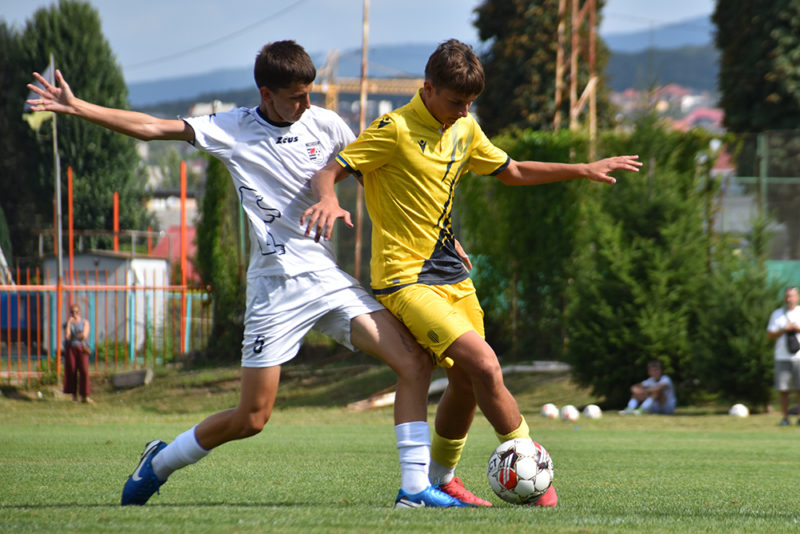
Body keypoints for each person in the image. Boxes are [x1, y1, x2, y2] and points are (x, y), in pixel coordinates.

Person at [27, 40, 465, 509]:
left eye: (309, 93)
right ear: (266, 94)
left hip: (327, 279)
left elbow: (382, 183)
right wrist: (77, 106)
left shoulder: (328, 125)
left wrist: (438, 236)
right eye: (295, 96)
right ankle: (159, 462)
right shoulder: (233, 128)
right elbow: (153, 127)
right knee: (252, 418)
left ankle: (414, 489)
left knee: (414, 363)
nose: (306, 104)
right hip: (275, 289)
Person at [302, 39, 642, 508]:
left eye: (470, 104)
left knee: (465, 380)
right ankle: (536, 478)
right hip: (405, 279)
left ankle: (441, 479)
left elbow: (513, 170)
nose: (464, 112)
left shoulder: (465, 128)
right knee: (485, 364)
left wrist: (581, 169)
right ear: (428, 88)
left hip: (452, 274)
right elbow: (331, 170)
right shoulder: (393, 129)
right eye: (456, 101)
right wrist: (328, 199)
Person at [766, 286, 800, 426]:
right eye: (787, 296)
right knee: (783, 389)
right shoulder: (777, 314)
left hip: (799, 357)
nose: (789, 299)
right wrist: (784, 330)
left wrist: (797, 328)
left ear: (797, 297)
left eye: (792, 296)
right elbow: (770, 335)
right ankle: (785, 418)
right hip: (782, 357)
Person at [64, 303, 92, 404]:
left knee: (84, 371)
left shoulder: (85, 322)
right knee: (72, 371)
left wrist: (77, 336)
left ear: (80, 312)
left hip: (82, 348)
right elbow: (67, 337)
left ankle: (85, 395)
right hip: (71, 349)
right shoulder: (68, 324)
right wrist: (69, 324)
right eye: (72, 312)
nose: (74, 314)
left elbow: (84, 335)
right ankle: (74, 396)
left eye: (76, 312)